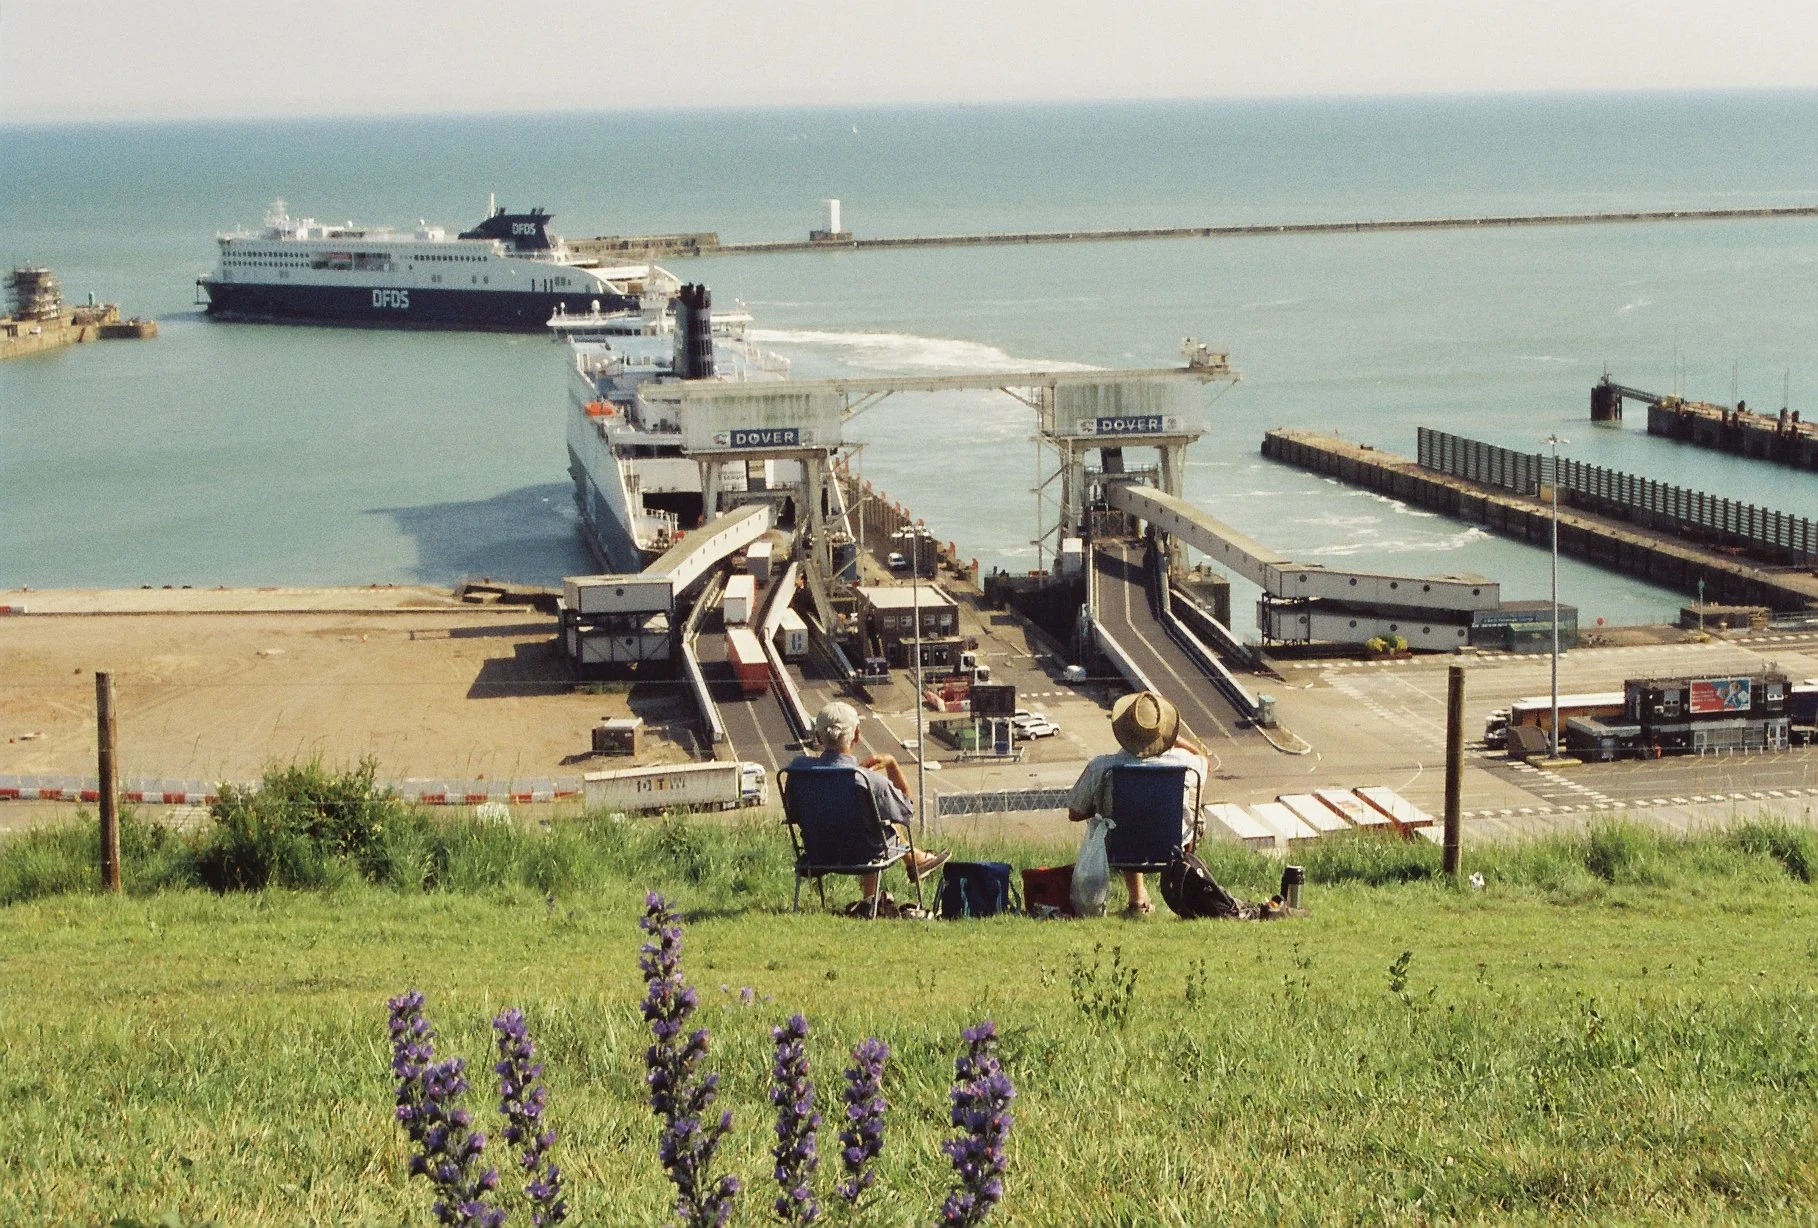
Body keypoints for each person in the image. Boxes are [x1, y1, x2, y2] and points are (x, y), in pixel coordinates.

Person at [786, 700, 949, 900]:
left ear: (818, 736)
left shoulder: (798, 770)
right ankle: (911, 862)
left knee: (870, 818)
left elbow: (792, 813)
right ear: (856, 734)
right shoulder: (866, 779)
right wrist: (891, 764)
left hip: (817, 852)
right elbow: (906, 811)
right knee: (875, 823)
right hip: (862, 854)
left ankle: (910, 864)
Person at [1066, 690, 1209, 916]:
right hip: (1174, 845)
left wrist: (1102, 805)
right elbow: (1203, 758)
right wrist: (1178, 742)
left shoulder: (1102, 767)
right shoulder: (1187, 765)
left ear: (1122, 731)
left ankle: (1137, 898)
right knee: (1190, 811)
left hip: (1121, 846)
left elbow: (1074, 812)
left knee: (1117, 819)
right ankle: (1184, 890)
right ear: (1164, 733)